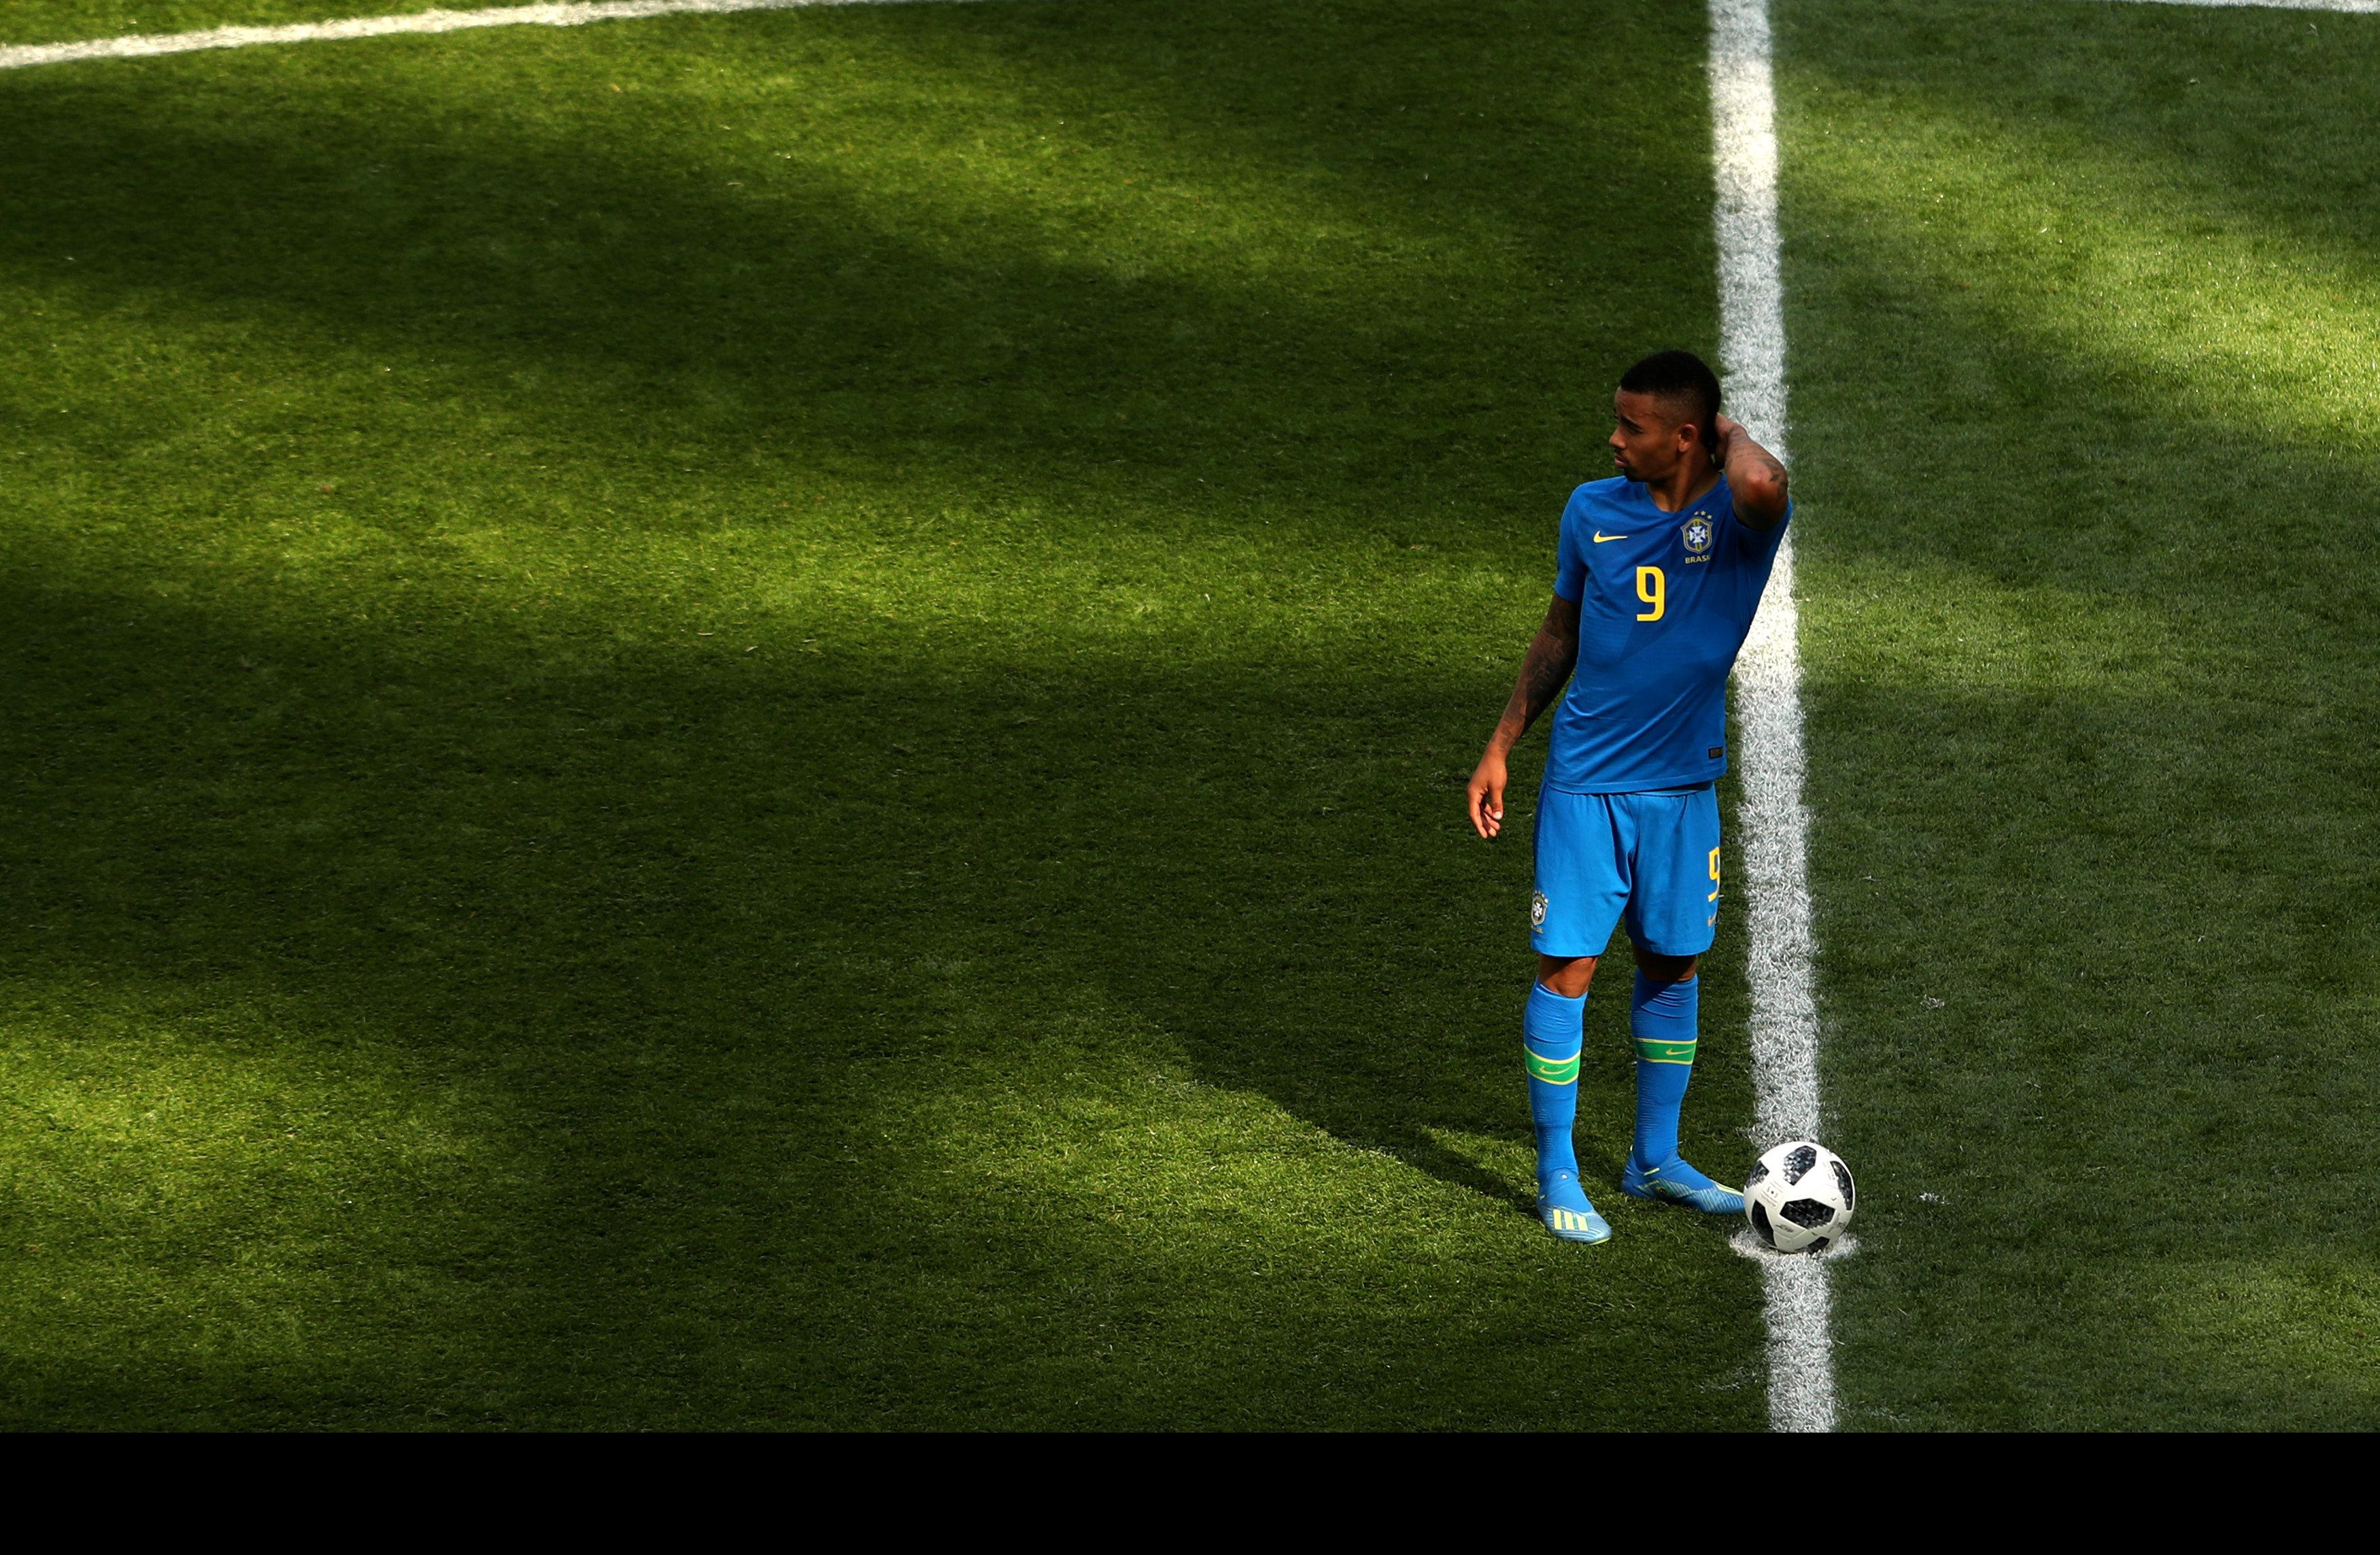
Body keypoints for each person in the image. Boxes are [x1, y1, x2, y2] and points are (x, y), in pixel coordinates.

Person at [1465, 349, 1790, 1244]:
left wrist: (1724, 429)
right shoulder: (1590, 509)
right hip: (1586, 786)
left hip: (1683, 789)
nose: (1613, 439)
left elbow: (1765, 479)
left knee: (1674, 964)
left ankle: (1655, 1160)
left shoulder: (1739, 520)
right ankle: (1557, 1170)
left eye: (1632, 426)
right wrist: (1500, 747)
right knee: (1568, 970)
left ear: (1686, 437)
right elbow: (1558, 634)